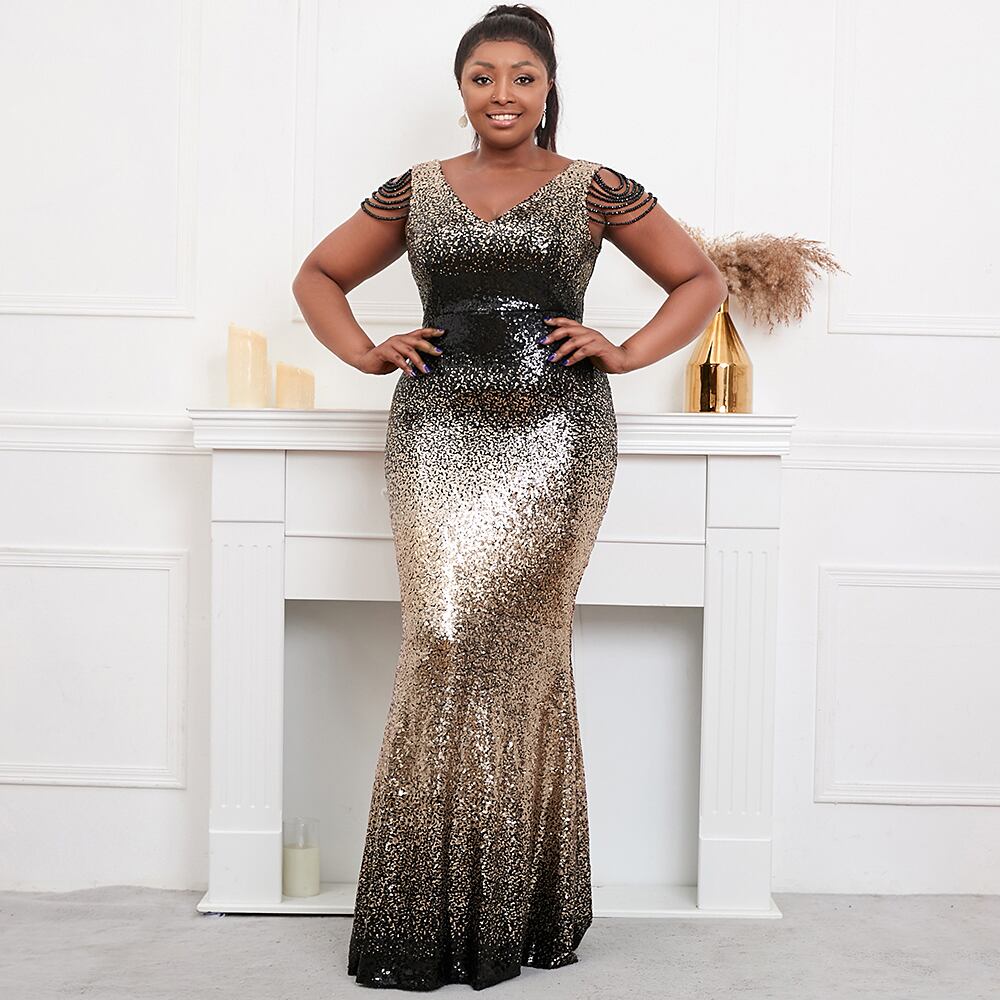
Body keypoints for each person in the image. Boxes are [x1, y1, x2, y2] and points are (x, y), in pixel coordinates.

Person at [292, 4, 727, 991]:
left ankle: (513, 909)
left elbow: (699, 281)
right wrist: (362, 350)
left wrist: (627, 351)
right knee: (443, 639)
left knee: (523, 655)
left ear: (547, 86)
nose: (502, 94)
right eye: (483, 76)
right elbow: (318, 275)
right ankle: (432, 907)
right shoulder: (415, 189)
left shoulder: (595, 187)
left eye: (522, 77)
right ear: (461, 89)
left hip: (557, 437)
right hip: (436, 431)